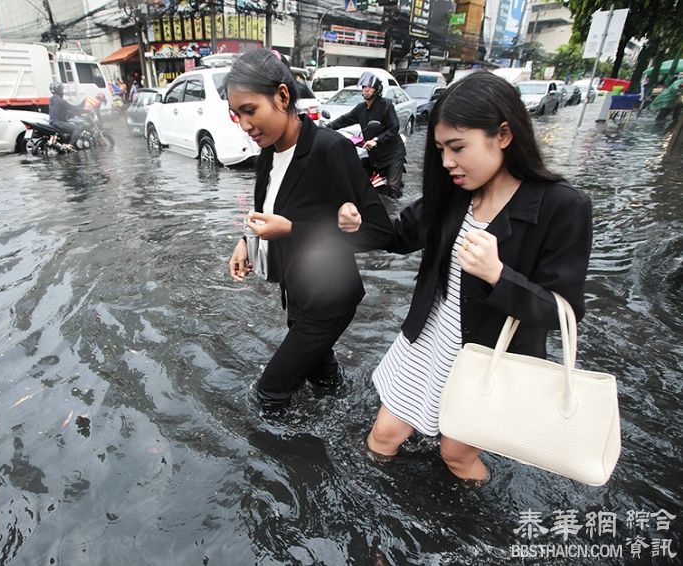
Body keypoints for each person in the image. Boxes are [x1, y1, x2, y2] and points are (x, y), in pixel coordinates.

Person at [336, 72, 592, 480]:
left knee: (456, 454)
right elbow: (400, 235)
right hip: (430, 339)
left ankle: (477, 532)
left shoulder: (563, 206)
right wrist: (354, 226)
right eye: (440, 149)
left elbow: (564, 312)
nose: (446, 162)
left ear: (503, 135)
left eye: (457, 147)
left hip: (488, 356)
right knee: (384, 435)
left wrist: (498, 275)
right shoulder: (456, 192)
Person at [226, 49, 393, 413]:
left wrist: (291, 230)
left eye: (250, 110)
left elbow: (380, 231)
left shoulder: (329, 150)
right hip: (297, 292)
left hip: (329, 299)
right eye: (236, 114)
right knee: (322, 378)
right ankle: (352, 411)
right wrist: (245, 240)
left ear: (283, 97)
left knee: (268, 395)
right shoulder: (268, 152)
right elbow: (266, 212)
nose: (243, 124)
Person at [326, 71, 407, 198]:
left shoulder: (386, 105)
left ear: (377, 89)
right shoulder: (360, 108)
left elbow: (394, 127)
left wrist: (376, 140)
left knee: (393, 191)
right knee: (359, 180)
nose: (366, 90)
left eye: (369, 87)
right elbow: (344, 120)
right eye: (364, 87)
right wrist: (326, 127)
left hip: (393, 154)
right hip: (375, 155)